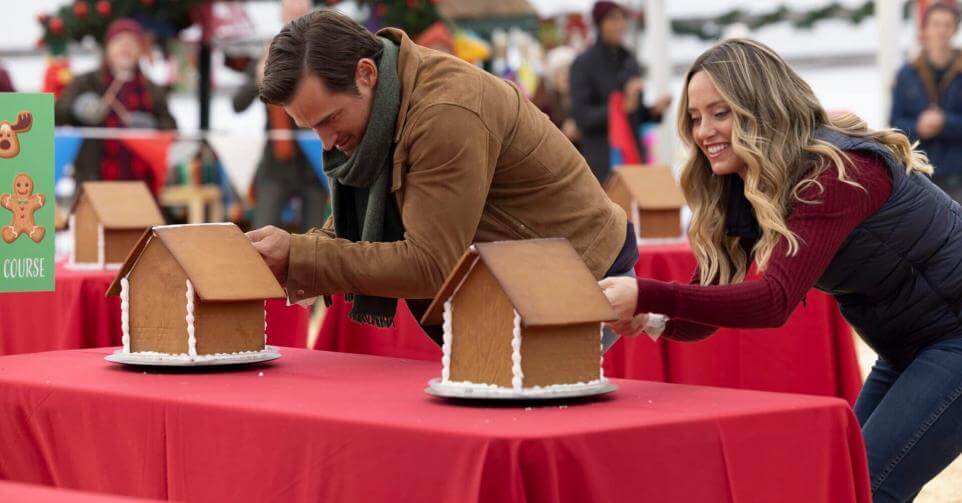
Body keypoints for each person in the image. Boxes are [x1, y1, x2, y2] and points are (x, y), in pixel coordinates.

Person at [601, 38, 962, 502]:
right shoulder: (750, 184)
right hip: (905, 347)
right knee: (839, 485)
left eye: (720, 112)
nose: (703, 131)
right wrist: (650, 318)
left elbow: (773, 302)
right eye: (694, 117)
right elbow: (703, 316)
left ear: (760, 107)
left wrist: (647, 293)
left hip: (952, 339)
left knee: (869, 487)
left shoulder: (835, 172)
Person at [246, 10, 637, 340]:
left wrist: (301, 255)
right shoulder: (391, 99)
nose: (326, 142)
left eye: (330, 119)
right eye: (310, 128)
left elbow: (430, 265)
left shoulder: (445, 113)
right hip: (518, 285)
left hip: (585, 283)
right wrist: (296, 253)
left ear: (366, 73)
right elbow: (366, 224)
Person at [233, 0, 328, 231]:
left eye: (300, 11)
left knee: (315, 238)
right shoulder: (269, 53)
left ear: (309, 13)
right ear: (282, 14)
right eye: (290, 12)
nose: (294, 17)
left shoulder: (320, 53)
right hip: (276, 161)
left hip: (313, 161)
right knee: (260, 230)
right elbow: (237, 104)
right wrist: (259, 76)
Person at [55, 18, 177, 195]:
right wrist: (77, 107)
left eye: (132, 42)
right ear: (108, 47)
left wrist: (152, 126)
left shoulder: (152, 90)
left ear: (140, 50)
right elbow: (57, 115)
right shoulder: (86, 83)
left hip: (141, 184)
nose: (125, 47)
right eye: (119, 41)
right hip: (93, 180)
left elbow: (171, 128)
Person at [569, 0, 671, 183]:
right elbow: (583, 117)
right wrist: (620, 107)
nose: (620, 24)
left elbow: (635, 113)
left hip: (633, 157)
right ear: (599, 24)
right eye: (613, 19)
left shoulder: (628, 58)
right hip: (603, 162)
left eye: (623, 18)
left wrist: (654, 111)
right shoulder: (583, 64)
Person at [891, 2, 962, 202]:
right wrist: (919, 126)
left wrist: (944, 123)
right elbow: (895, 124)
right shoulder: (907, 74)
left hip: (958, 177)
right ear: (925, 29)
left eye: (947, 25)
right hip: (920, 178)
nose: (941, 31)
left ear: (955, 29)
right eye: (936, 24)